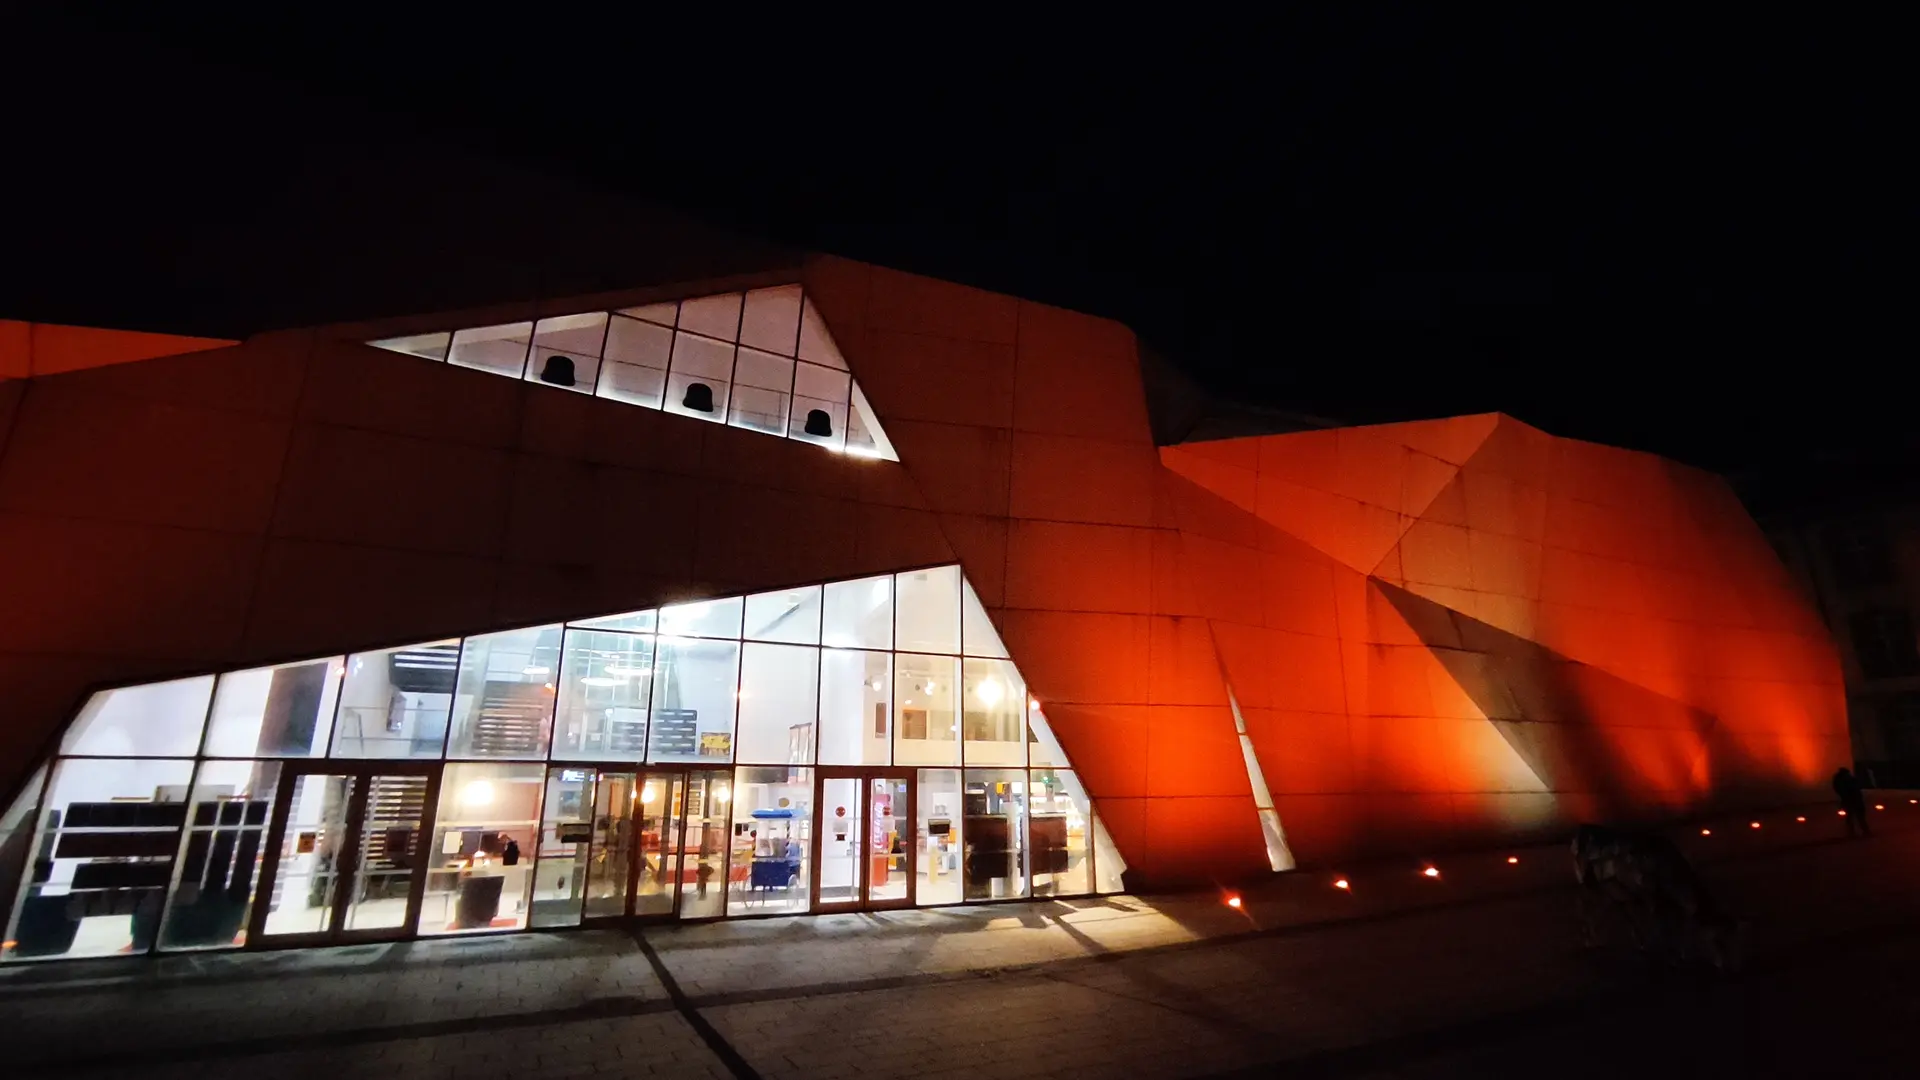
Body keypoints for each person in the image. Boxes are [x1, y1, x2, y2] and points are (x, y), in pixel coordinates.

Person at [1833, 767, 1871, 837]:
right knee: (1859, 817)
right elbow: (1856, 788)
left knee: (1850, 817)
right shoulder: (1849, 780)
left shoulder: (1839, 780)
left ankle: (1852, 832)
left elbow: (1839, 790)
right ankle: (1864, 831)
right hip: (1855, 800)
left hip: (1849, 800)